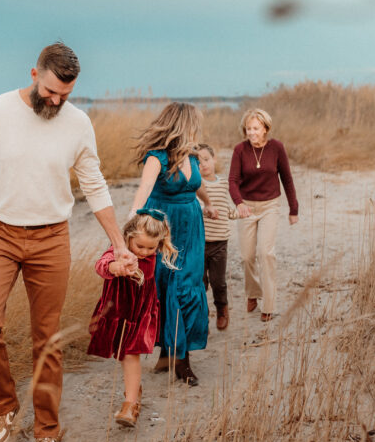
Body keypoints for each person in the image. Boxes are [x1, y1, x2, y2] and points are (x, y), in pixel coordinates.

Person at [0, 42, 136, 442]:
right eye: (51, 91)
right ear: (34, 74)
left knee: (47, 338)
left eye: (66, 94)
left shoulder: (78, 123)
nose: (57, 101)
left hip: (51, 238)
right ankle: (4, 409)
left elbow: (94, 184)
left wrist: (118, 242)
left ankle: (47, 432)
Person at [128, 102, 218, 387]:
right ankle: (171, 355)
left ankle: (181, 357)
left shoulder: (191, 155)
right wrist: (131, 221)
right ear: (182, 124)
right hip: (166, 229)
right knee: (167, 288)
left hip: (192, 228)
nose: (197, 129)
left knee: (189, 287)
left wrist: (208, 202)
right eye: (194, 123)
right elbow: (144, 189)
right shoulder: (157, 157)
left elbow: (196, 183)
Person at [87, 209, 178, 428]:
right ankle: (134, 389)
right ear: (128, 237)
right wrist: (115, 267)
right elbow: (101, 265)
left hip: (139, 313)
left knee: (130, 354)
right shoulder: (119, 251)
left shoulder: (151, 254)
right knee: (121, 352)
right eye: (140, 246)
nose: (145, 252)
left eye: (151, 247)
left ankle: (130, 405)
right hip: (118, 310)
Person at [229, 108, 299, 322]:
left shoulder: (277, 148)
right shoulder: (240, 150)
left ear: (266, 129)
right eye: (248, 129)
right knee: (247, 256)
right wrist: (239, 203)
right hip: (247, 207)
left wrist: (293, 209)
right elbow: (232, 180)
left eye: (256, 128)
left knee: (266, 253)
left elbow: (287, 179)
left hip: (270, 206)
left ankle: (268, 305)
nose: (251, 132)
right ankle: (252, 293)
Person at [195, 143, 238, 330]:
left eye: (206, 159)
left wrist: (240, 212)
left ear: (214, 159)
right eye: (197, 162)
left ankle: (222, 309)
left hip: (220, 242)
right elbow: (194, 209)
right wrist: (204, 210)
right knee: (200, 283)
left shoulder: (223, 184)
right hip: (199, 243)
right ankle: (200, 317)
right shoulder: (195, 186)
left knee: (218, 282)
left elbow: (227, 209)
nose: (203, 164)